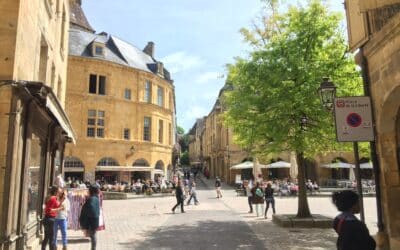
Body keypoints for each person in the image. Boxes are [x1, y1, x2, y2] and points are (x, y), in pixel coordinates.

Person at [80, 185, 100, 250]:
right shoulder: (96, 198)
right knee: (93, 234)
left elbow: (88, 210)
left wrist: (84, 222)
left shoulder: (91, 199)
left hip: (91, 220)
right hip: (95, 218)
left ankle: (93, 248)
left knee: (93, 235)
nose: (88, 191)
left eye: (89, 190)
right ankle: (93, 248)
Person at [42, 186, 60, 250]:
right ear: (55, 192)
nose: (59, 193)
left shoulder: (49, 197)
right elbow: (50, 210)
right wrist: (60, 208)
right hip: (51, 219)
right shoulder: (53, 198)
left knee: (46, 237)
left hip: (46, 219)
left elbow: (47, 208)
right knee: (52, 238)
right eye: (58, 192)